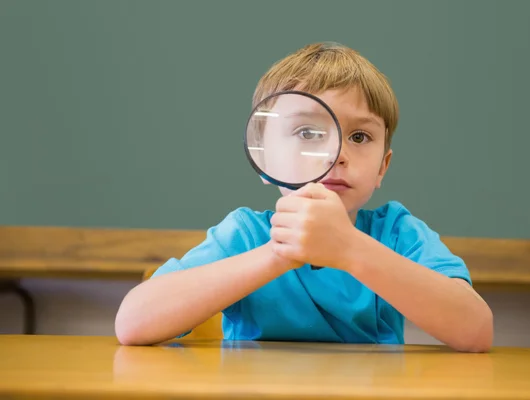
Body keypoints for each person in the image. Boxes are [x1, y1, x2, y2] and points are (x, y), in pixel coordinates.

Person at [115, 42, 494, 352]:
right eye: (309, 133)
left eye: (360, 137)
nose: (337, 153)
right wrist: (278, 253)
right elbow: (132, 323)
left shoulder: (397, 233)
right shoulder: (244, 235)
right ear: (263, 158)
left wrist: (350, 249)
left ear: (382, 167)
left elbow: (476, 331)